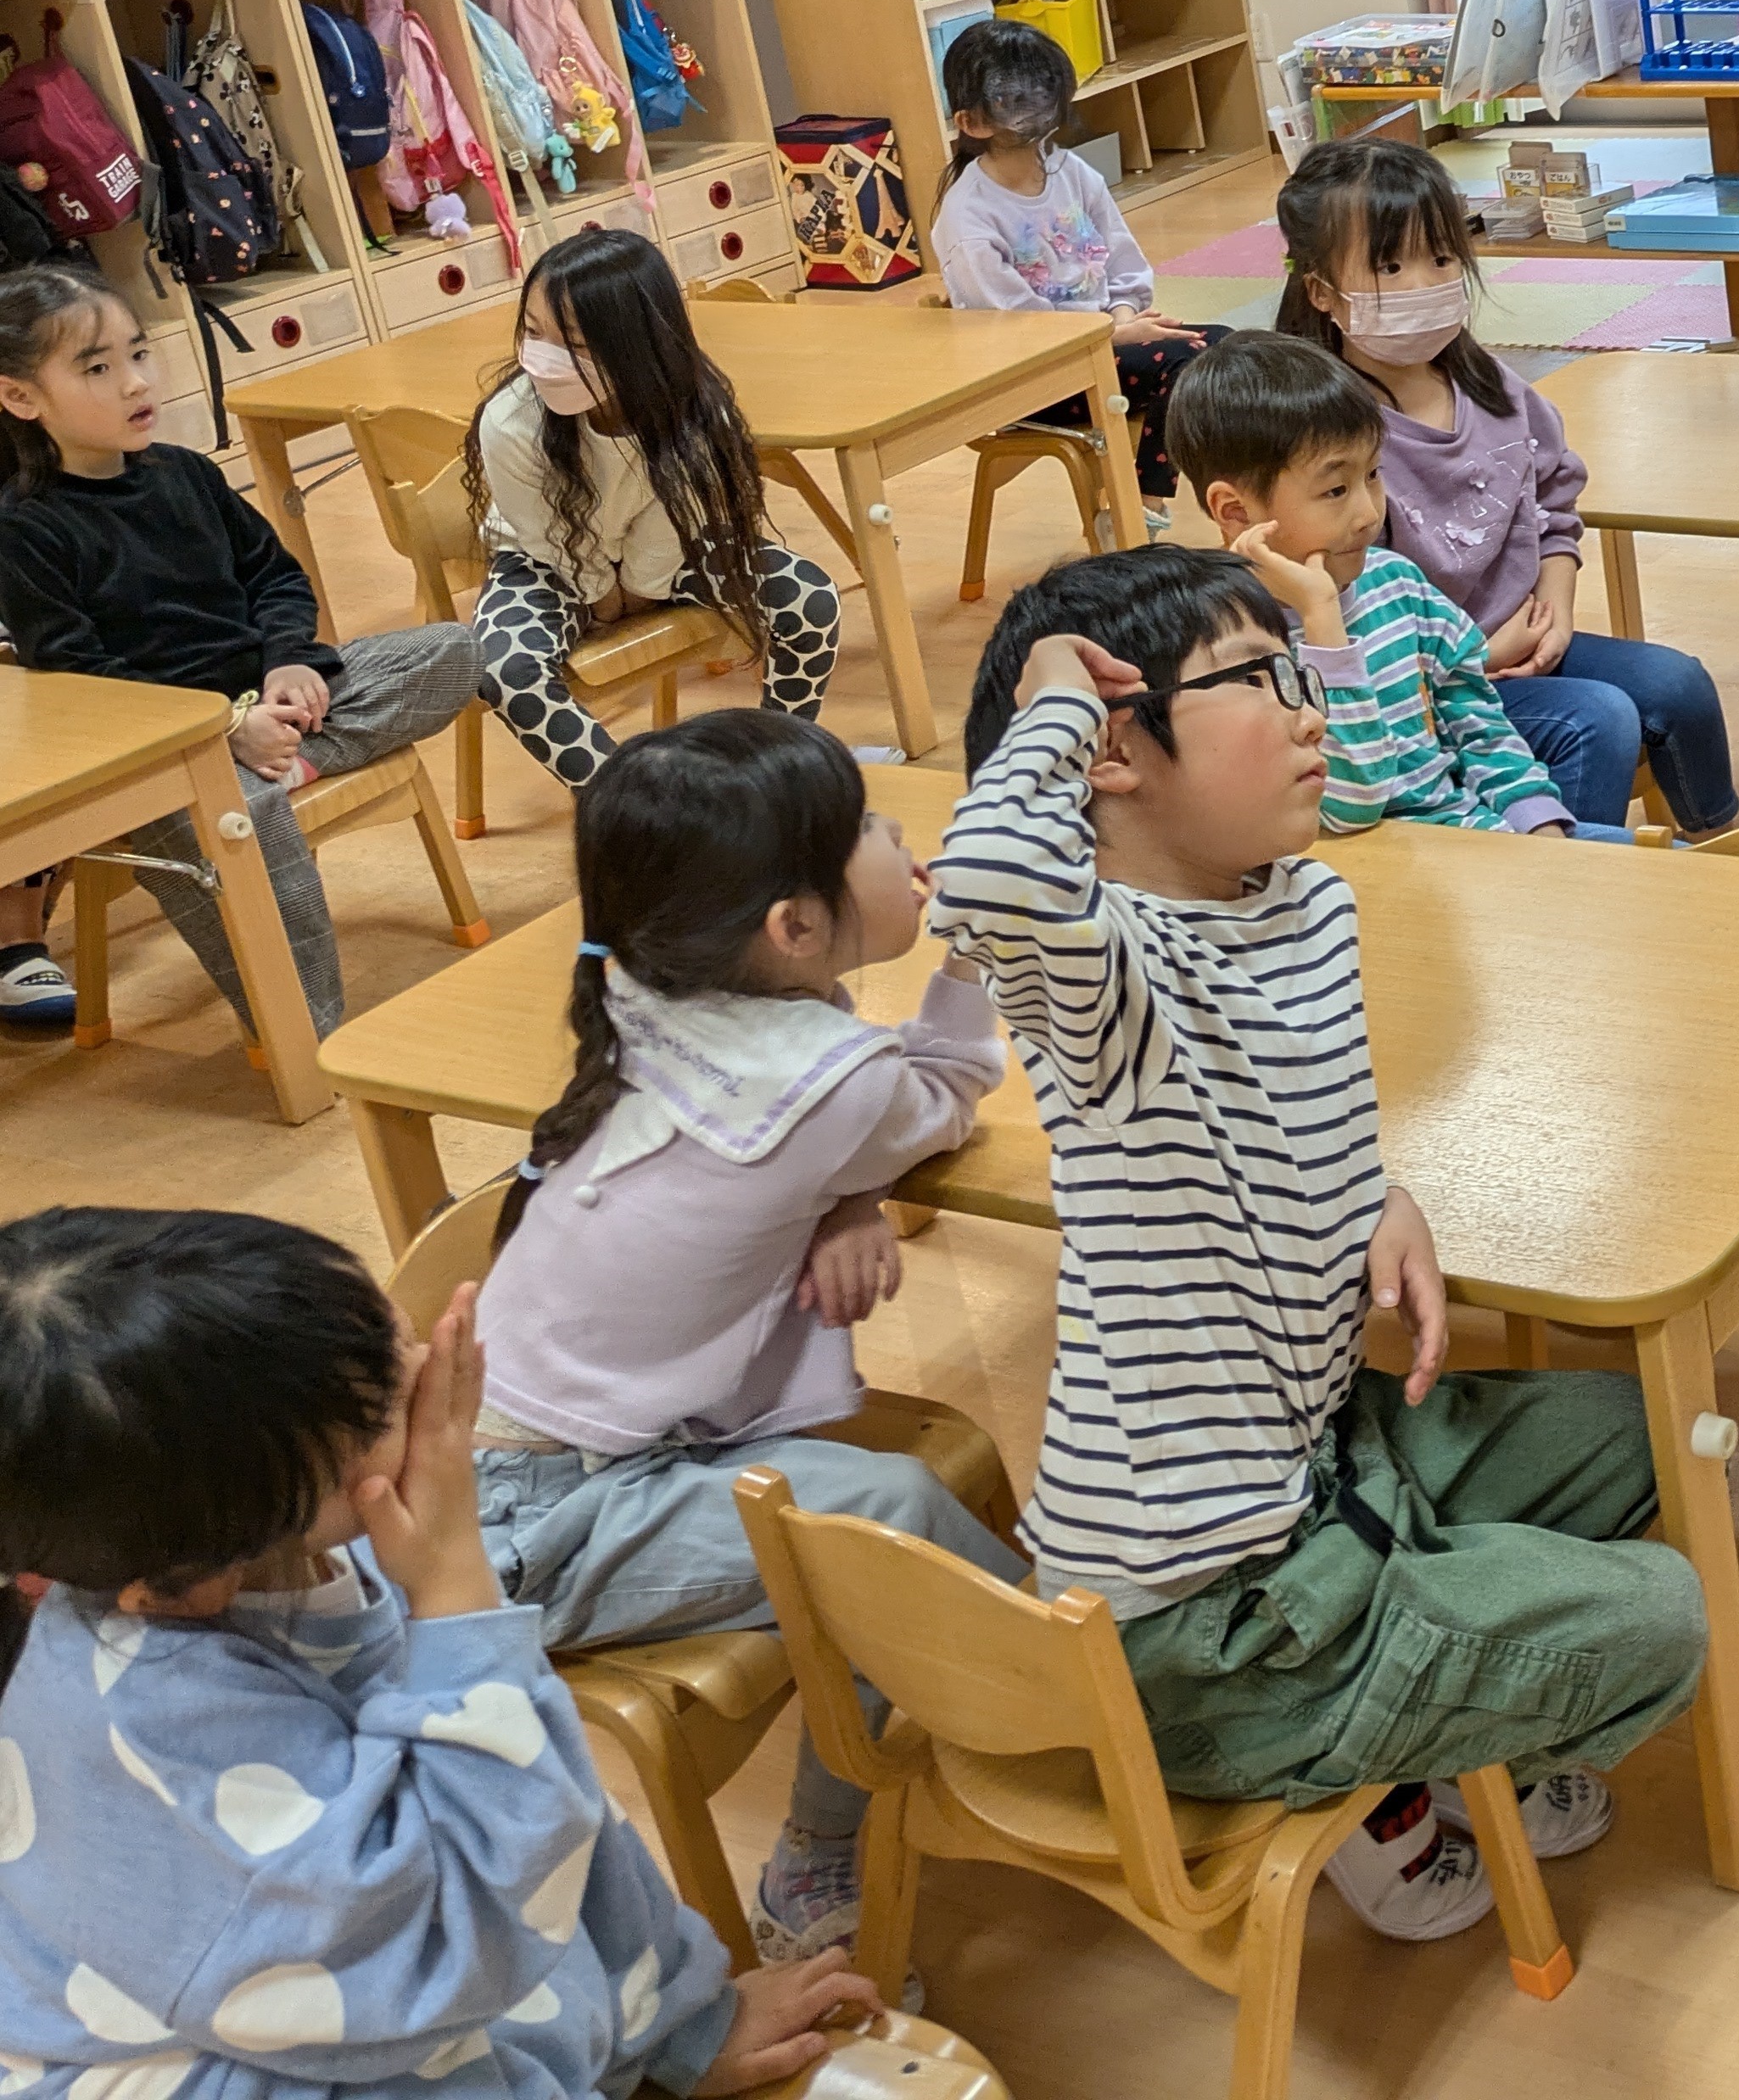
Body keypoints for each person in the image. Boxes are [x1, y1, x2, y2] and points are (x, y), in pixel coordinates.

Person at [931, 546, 1709, 1942]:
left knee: (1651, 1433)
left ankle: (1426, 1681)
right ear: (1115, 749)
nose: (1311, 712)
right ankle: (1377, 1769)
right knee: (1659, 1614)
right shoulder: (1107, 970)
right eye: (1258, 680)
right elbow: (987, 879)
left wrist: (1377, 1194)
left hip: (1318, 1451)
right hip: (1198, 1605)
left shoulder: (1298, 901)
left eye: (1303, 674)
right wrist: (1053, 694)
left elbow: (1303, 1101)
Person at [0, 1203, 885, 2099]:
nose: (433, 1376)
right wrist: (457, 1591)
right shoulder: (166, 1724)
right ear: (201, 1571)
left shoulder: (283, 1553)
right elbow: (438, 1955)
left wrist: (681, 2023)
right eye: (385, 1402)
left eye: (396, 1341)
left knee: (506, 1756)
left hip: (367, 1976)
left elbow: (550, 1822)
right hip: (248, 2045)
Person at [473, 709, 1020, 1963]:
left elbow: (829, 1124)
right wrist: (972, 958)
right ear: (792, 928)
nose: (903, 837)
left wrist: (846, 1193)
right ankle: (853, 1851)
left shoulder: (651, 976)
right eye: (875, 830)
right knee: (884, 1529)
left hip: (514, 1457)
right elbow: (936, 1095)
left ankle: (1001, 1690)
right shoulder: (827, 1083)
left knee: (881, 1509)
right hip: (533, 1524)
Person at [0, 260, 476, 1036]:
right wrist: (221, 729)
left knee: (453, 647)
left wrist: (288, 660)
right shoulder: (27, 529)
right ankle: (305, 1035)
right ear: (20, 397)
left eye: (138, 354)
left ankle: (288, 759)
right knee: (243, 832)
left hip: (260, 699)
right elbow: (78, 680)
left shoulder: (185, 473)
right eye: (97, 367)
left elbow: (274, 578)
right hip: (163, 753)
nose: (133, 383)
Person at [1273, 138, 1739, 837]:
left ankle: (1718, 851)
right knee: (1599, 720)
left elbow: (1554, 496)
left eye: (1440, 259)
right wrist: (1481, 656)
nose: (1423, 283)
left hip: (1524, 632)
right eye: (1389, 266)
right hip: (1427, 681)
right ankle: (1556, 877)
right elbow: (1341, 620)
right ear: (1319, 291)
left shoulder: (1487, 384)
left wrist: (1555, 598)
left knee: (1680, 685)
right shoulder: (1330, 441)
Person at [1165, 329, 1583, 838]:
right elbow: (1350, 808)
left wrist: (1539, 826)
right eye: (1336, 489)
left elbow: (1481, 731)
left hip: (1480, 841)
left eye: (1374, 475)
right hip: (1382, 879)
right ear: (1235, 511)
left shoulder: (1397, 583)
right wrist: (1323, 621)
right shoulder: (1225, 650)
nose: (1368, 514)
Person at [466, 232, 843, 789]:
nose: (543, 358)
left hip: (671, 554)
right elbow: (544, 535)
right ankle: (633, 805)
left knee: (810, 600)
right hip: (547, 562)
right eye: (532, 331)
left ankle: (779, 780)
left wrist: (639, 586)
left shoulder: (689, 406)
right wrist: (600, 593)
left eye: (572, 342)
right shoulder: (509, 423)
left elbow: (677, 514)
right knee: (504, 666)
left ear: (635, 346)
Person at [925, 19, 1223, 517]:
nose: (1039, 110)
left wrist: (1125, 320)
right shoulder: (969, 218)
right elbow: (1021, 333)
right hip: (1037, 378)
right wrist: (1116, 337)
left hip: (1103, 349)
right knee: (1189, 364)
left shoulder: (1072, 172)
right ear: (973, 123)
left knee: (1229, 349)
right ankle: (1141, 507)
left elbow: (1124, 265)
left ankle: (1234, 500)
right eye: (1017, 101)